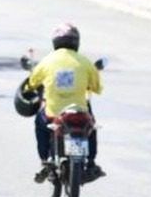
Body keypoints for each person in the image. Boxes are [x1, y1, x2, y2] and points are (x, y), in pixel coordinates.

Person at [20, 24, 104, 184]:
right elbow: (97, 88)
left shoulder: (47, 61)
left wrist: (31, 87)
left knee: (39, 123)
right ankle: (91, 163)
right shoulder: (85, 62)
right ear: (76, 42)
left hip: (53, 114)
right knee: (91, 128)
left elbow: (31, 83)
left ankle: (45, 159)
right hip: (80, 112)